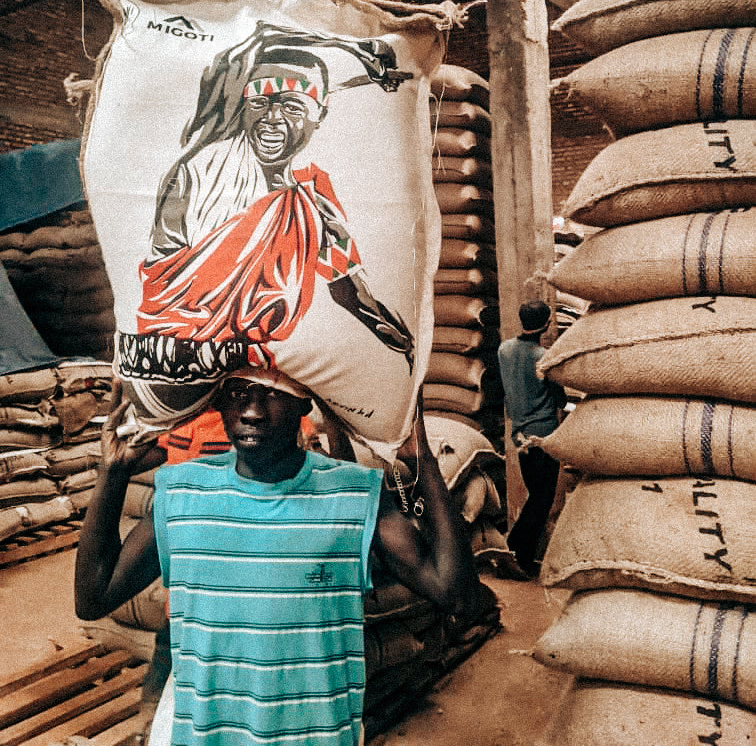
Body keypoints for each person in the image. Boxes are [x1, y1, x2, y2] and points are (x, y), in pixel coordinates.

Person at [75, 369, 484, 746]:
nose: (252, 411)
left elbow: (457, 595)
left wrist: (423, 462)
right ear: (217, 401)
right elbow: (94, 598)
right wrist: (111, 475)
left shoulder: (354, 494)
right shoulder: (183, 492)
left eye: (272, 393)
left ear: (306, 403)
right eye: (237, 393)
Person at [117, 24, 415, 386]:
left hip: (255, 368)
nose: (271, 118)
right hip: (174, 357)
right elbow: (259, 35)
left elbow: (347, 286)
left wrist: (395, 336)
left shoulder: (311, 198)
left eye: (292, 106)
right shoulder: (200, 170)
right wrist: (353, 47)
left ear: (319, 114)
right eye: (259, 103)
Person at [496, 300, 567, 579]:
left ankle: (514, 554)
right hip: (543, 436)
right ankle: (515, 554)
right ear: (547, 324)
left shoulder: (504, 350)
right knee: (542, 498)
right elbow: (560, 399)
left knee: (535, 496)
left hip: (520, 436)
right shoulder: (544, 357)